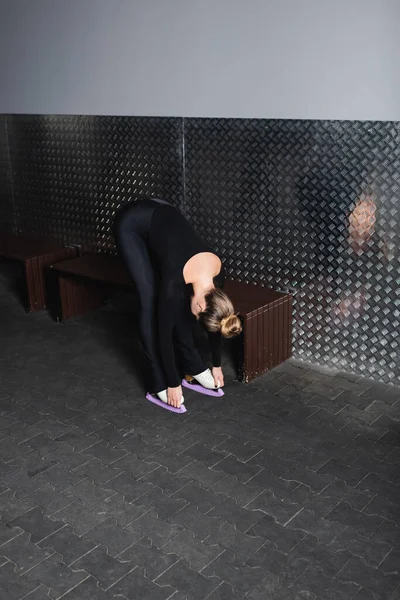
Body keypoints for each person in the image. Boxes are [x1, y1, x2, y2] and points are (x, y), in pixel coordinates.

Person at [113, 198, 242, 409]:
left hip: (162, 214)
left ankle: (192, 365)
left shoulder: (217, 273)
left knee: (182, 305)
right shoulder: (174, 280)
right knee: (149, 299)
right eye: (197, 316)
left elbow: (219, 315)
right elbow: (164, 334)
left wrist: (217, 364)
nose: (195, 317)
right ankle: (157, 381)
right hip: (132, 223)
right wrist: (172, 383)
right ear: (200, 306)